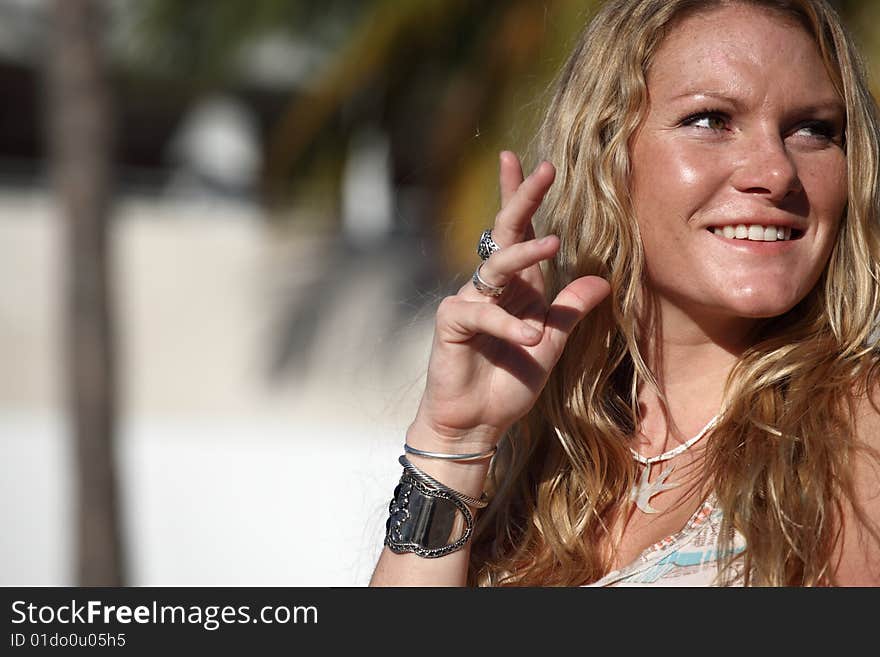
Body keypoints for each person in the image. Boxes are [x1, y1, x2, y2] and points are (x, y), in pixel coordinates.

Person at [369, 0, 880, 587]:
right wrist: (454, 442)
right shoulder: (549, 459)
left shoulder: (853, 430)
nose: (778, 171)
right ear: (607, 154)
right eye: (711, 120)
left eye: (813, 129)